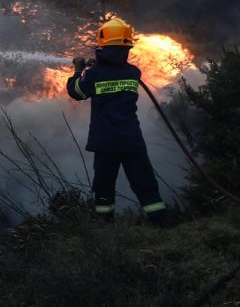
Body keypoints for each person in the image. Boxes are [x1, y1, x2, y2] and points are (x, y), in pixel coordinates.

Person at [67, 17, 167, 226]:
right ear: (127, 48)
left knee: (104, 190)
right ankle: (161, 227)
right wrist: (100, 65)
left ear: (102, 48)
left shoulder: (93, 74)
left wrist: (78, 70)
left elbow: (76, 92)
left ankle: (105, 229)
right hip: (132, 140)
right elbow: (114, 69)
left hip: (105, 143)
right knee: (146, 185)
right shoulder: (133, 72)